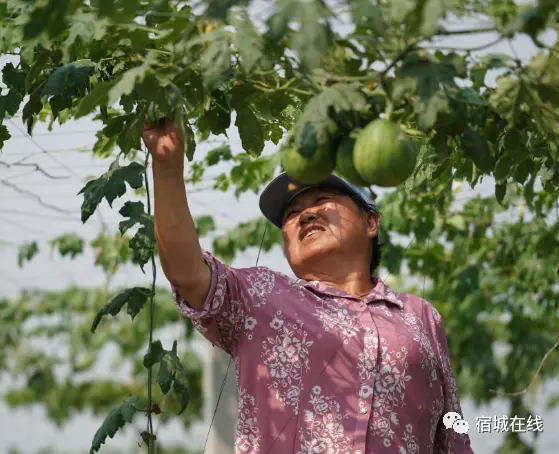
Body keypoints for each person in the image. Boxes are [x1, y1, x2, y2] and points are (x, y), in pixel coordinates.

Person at [143, 119, 474, 454]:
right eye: (292, 212)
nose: (305, 215)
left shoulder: (421, 316)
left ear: (371, 221)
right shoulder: (260, 296)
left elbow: (452, 436)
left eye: (323, 198)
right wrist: (167, 167)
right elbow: (188, 274)